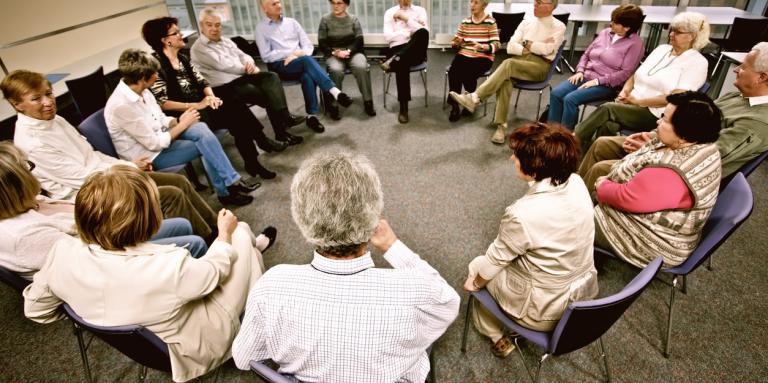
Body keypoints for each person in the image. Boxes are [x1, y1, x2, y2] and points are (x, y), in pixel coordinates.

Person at [23, 165, 275, 383]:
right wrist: (223, 234)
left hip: (151, 342)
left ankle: (255, 251)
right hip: (194, 340)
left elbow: (35, 309)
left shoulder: (61, 252)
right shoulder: (167, 265)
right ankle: (255, 336)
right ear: (148, 217)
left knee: (242, 250)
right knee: (240, 233)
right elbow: (213, 273)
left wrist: (82, 307)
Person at [232, 152, 459, 382]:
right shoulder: (414, 291)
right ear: (374, 217)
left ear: (301, 219)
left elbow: (244, 358)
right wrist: (392, 245)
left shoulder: (272, 285)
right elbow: (449, 304)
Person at [1, 69, 219, 239]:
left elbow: (93, 156)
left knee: (178, 181)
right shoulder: (31, 143)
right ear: (17, 104)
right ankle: (208, 244)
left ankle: (216, 230)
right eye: (36, 99)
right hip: (89, 197)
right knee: (171, 194)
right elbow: (84, 177)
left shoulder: (55, 120)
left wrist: (129, 164)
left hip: (107, 177)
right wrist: (131, 168)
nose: (48, 102)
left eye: (48, 94)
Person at [463, 122, 598, 358]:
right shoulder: (576, 182)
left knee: (477, 267)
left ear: (534, 171)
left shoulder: (521, 214)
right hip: (583, 299)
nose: (511, 159)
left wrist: (475, 283)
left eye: (516, 155)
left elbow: (494, 262)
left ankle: (496, 336)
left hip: (543, 312)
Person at [579, 42, 768, 194]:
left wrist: (650, 149)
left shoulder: (757, 123)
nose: (736, 70)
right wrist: (651, 136)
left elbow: (703, 161)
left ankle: (580, 217)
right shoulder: (739, 96)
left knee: (602, 169)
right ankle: (573, 195)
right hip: (669, 146)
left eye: (744, 67)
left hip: (680, 175)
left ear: (762, 77)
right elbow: (686, 124)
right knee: (602, 143)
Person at [0, 142, 208, 277]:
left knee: (182, 223)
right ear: (15, 184)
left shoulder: (30, 200)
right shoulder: (26, 235)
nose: (33, 172)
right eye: (27, 168)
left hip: (105, 238)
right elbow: (94, 262)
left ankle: (208, 258)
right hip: (110, 263)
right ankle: (208, 283)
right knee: (194, 243)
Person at [105, 49, 258, 206]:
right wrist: (183, 124)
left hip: (162, 136)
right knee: (205, 144)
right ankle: (228, 189)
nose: (157, 76)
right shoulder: (121, 106)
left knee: (201, 128)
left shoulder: (142, 90)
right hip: (149, 156)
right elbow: (154, 144)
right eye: (154, 74)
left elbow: (160, 119)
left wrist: (178, 121)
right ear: (142, 78)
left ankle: (230, 184)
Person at [594, 91, 722, 268]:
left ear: (684, 132)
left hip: (650, 242)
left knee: (570, 218)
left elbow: (624, 197)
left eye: (665, 120)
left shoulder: (670, 174)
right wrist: (652, 140)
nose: (658, 122)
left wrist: (602, 184)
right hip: (652, 219)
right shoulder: (703, 144)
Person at [142, 16, 280, 180]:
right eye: (176, 33)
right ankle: (259, 144)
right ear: (166, 41)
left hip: (202, 105)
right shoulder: (156, 66)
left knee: (236, 107)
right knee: (235, 113)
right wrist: (197, 104)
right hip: (183, 115)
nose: (181, 35)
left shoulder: (182, 58)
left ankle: (253, 161)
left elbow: (202, 81)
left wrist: (211, 97)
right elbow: (162, 103)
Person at [574, 12, 710, 154]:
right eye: (672, 30)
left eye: (678, 32)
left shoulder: (697, 62)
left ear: (692, 36)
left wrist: (638, 102)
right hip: (630, 103)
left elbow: (677, 99)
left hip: (655, 113)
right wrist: (625, 91)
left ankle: (573, 142)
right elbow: (635, 75)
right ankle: (594, 156)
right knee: (609, 124)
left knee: (608, 108)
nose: (671, 34)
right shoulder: (661, 49)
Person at [450, 0, 565, 143]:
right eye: (535, 1)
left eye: (539, 2)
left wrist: (527, 43)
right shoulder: (526, 22)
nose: (535, 4)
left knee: (508, 64)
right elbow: (510, 46)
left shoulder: (559, 26)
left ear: (551, 6)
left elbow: (547, 51)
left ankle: (475, 98)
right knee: (505, 81)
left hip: (539, 66)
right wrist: (530, 45)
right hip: (520, 60)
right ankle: (501, 127)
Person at [191, 8, 307, 148]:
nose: (214, 29)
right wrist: (248, 69)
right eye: (209, 25)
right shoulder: (199, 48)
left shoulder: (225, 41)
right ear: (201, 25)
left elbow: (243, 55)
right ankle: (280, 132)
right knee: (268, 94)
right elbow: (225, 66)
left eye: (218, 25)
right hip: (223, 87)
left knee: (271, 77)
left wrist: (250, 62)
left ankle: (285, 116)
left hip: (240, 78)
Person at [256, 0, 353, 132]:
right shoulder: (261, 28)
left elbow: (308, 46)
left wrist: (298, 54)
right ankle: (334, 91)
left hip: (300, 61)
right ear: (264, 8)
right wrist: (292, 53)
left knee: (307, 75)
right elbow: (266, 56)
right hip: (280, 65)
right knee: (307, 61)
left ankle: (312, 116)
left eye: (279, 2)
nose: (279, 5)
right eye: (274, 4)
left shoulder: (292, 23)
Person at [547, 4, 644, 130]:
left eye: (615, 22)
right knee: (556, 93)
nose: (611, 24)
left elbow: (625, 73)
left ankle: (566, 138)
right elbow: (587, 54)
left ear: (627, 27)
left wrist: (598, 81)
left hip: (606, 85)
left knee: (570, 99)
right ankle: (551, 133)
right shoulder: (605, 33)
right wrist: (580, 71)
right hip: (585, 76)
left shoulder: (635, 44)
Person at [318, 0, 376, 118]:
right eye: (333, 3)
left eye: (339, 3)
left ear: (346, 5)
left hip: (353, 52)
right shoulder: (325, 19)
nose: (336, 6)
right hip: (334, 53)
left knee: (361, 67)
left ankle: (368, 101)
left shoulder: (353, 19)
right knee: (336, 70)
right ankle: (334, 105)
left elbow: (359, 40)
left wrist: (348, 51)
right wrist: (335, 52)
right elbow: (322, 43)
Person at [446, 0, 500, 122]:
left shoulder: (490, 22)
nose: (472, 5)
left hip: (483, 57)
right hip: (464, 54)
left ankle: (469, 101)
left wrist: (484, 47)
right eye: (471, 2)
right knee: (454, 71)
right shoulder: (465, 22)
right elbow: (456, 44)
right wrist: (455, 44)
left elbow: (497, 45)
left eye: (476, 2)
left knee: (467, 73)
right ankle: (455, 105)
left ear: (484, 5)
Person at [381, 0, 429, 124]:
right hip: (398, 48)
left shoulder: (420, 11)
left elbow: (424, 32)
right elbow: (388, 36)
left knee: (422, 33)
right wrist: (410, 32)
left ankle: (393, 60)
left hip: (416, 51)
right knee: (402, 63)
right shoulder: (390, 12)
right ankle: (403, 108)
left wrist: (405, 18)